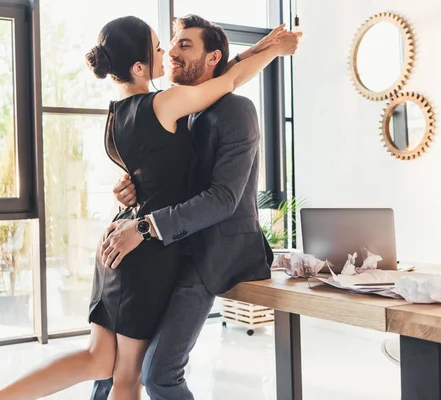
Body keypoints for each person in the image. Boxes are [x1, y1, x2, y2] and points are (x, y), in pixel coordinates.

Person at [0, 14, 299, 400]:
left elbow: (222, 80)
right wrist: (274, 51)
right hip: (143, 249)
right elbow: (227, 79)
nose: (167, 53)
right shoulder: (167, 103)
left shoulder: (120, 112)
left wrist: (134, 191)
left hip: (122, 238)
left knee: (99, 361)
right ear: (138, 66)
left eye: (181, 45)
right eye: (161, 46)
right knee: (127, 377)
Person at [92, 14, 294, 400]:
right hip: (167, 250)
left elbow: (223, 198)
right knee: (116, 369)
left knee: (159, 375)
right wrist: (129, 189)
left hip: (210, 252)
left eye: (185, 46)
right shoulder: (179, 108)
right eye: (169, 46)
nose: (170, 53)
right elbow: (164, 173)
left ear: (212, 57)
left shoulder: (236, 111)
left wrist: (146, 226)